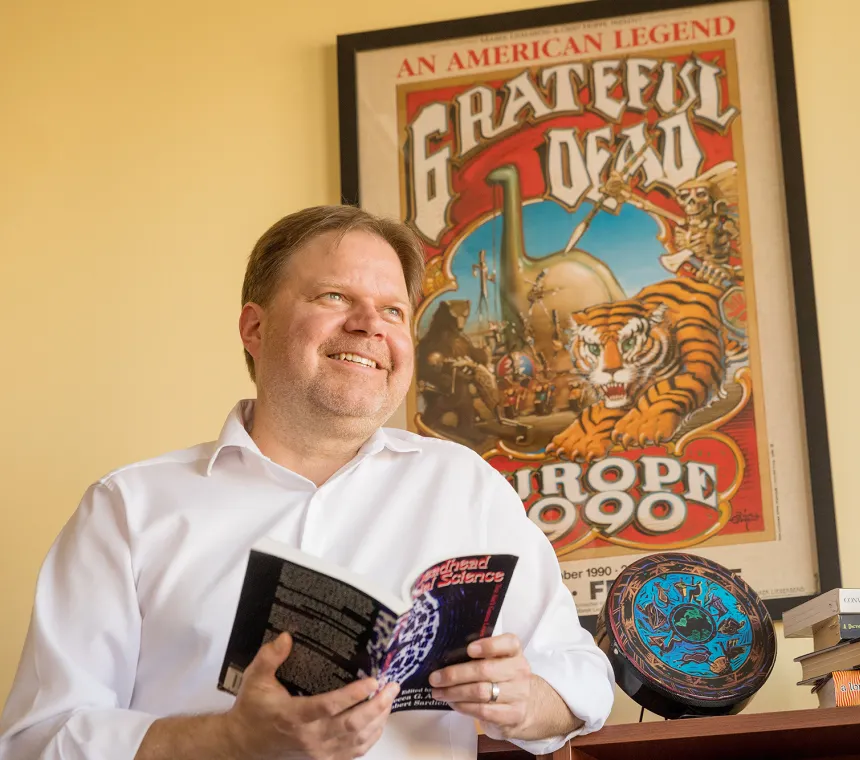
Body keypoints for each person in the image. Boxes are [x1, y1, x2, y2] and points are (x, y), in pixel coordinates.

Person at [0, 206, 615, 759]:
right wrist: (230, 740)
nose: (371, 325)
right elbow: (35, 742)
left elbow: (583, 679)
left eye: (394, 310)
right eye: (333, 296)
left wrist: (526, 700)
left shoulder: (467, 487)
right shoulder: (129, 509)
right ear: (254, 329)